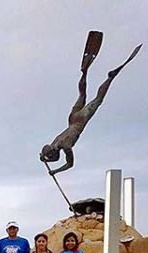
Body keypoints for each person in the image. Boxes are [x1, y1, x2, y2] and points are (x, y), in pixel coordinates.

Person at [40, 38, 142, 175]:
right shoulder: (55, 143)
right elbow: (57, 157)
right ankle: (84, 73)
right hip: (72, 119)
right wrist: (45, 160)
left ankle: (110, 78)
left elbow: (70, 164)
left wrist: (55, 171)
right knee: (82, 95)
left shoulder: (64, 145)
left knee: (98, 100)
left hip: (79, 121)